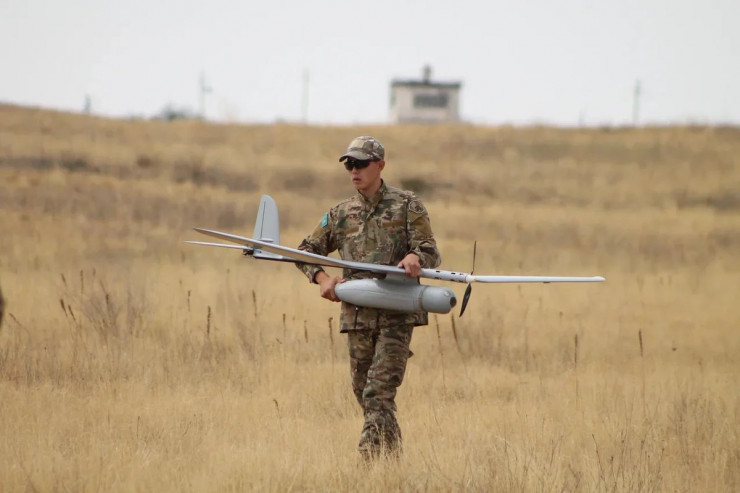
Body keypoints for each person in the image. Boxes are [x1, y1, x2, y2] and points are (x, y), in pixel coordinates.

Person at [296, 136, 441, 460]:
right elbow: (304, 251)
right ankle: (390, 463)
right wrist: (322, 279)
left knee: (378, 391)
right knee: (365, 393)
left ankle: (368, 463)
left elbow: (430, 249)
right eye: (349, 164)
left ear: (380, 165)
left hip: (396, 315)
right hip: (357, 316)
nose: (354, 170)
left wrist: (416, 257)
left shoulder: (407, 205)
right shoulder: (340, 213)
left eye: (361, 163)